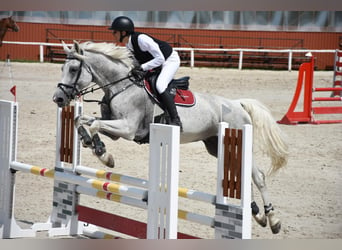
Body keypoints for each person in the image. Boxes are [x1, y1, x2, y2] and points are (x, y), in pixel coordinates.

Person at [109, 16, 182, 130]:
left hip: (169, 60)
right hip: (156, 63)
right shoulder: (128, 44)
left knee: (160, 85)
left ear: (123, 32)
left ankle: (175, 119)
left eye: (114, 32)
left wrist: (142, 67)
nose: (113, 34)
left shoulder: (141, 39)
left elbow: (160, 58)